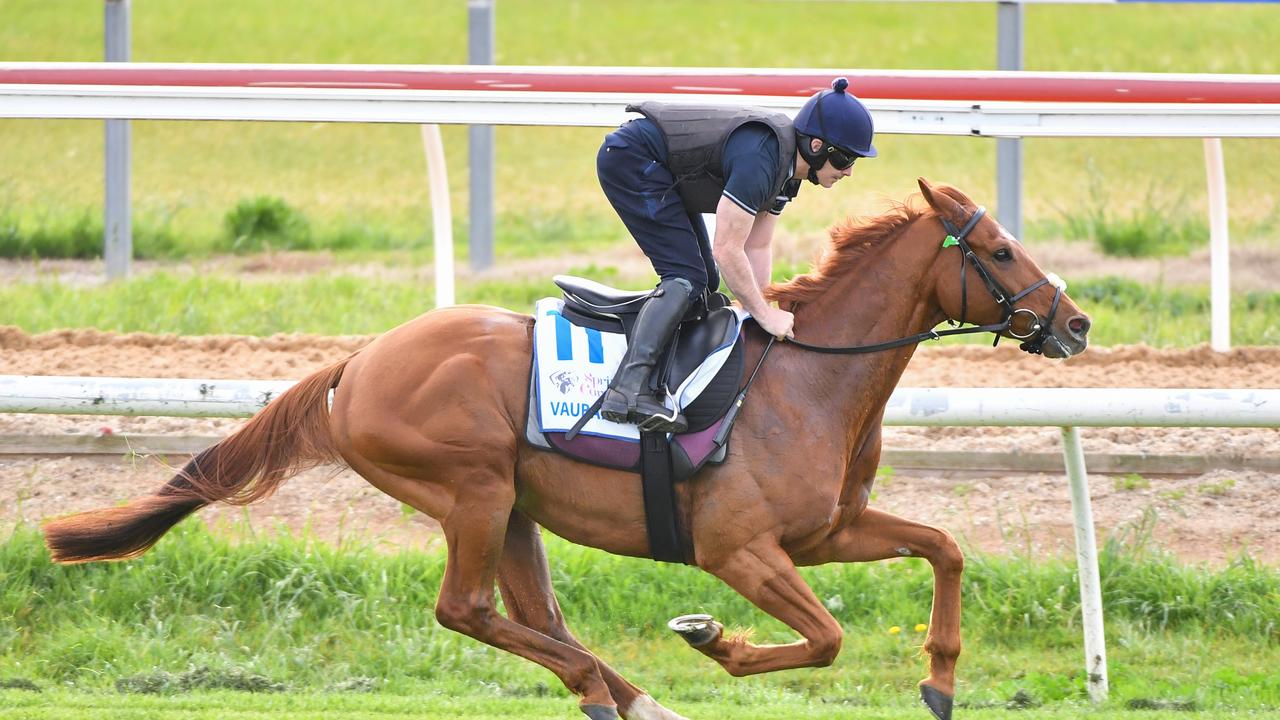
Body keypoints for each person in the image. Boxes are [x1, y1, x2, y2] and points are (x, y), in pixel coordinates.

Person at [595, 77, 877, 433]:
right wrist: (763, 315)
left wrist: (758, 312)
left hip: (659, 166)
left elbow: (756, 246)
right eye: (846, 157)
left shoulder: (789, 173)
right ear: (818, 145)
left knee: (705, 282)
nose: (850, 171)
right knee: (686, 277)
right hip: (632, 160)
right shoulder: (763, 160)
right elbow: (727, 249)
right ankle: (627, 390)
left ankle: (665, 379)